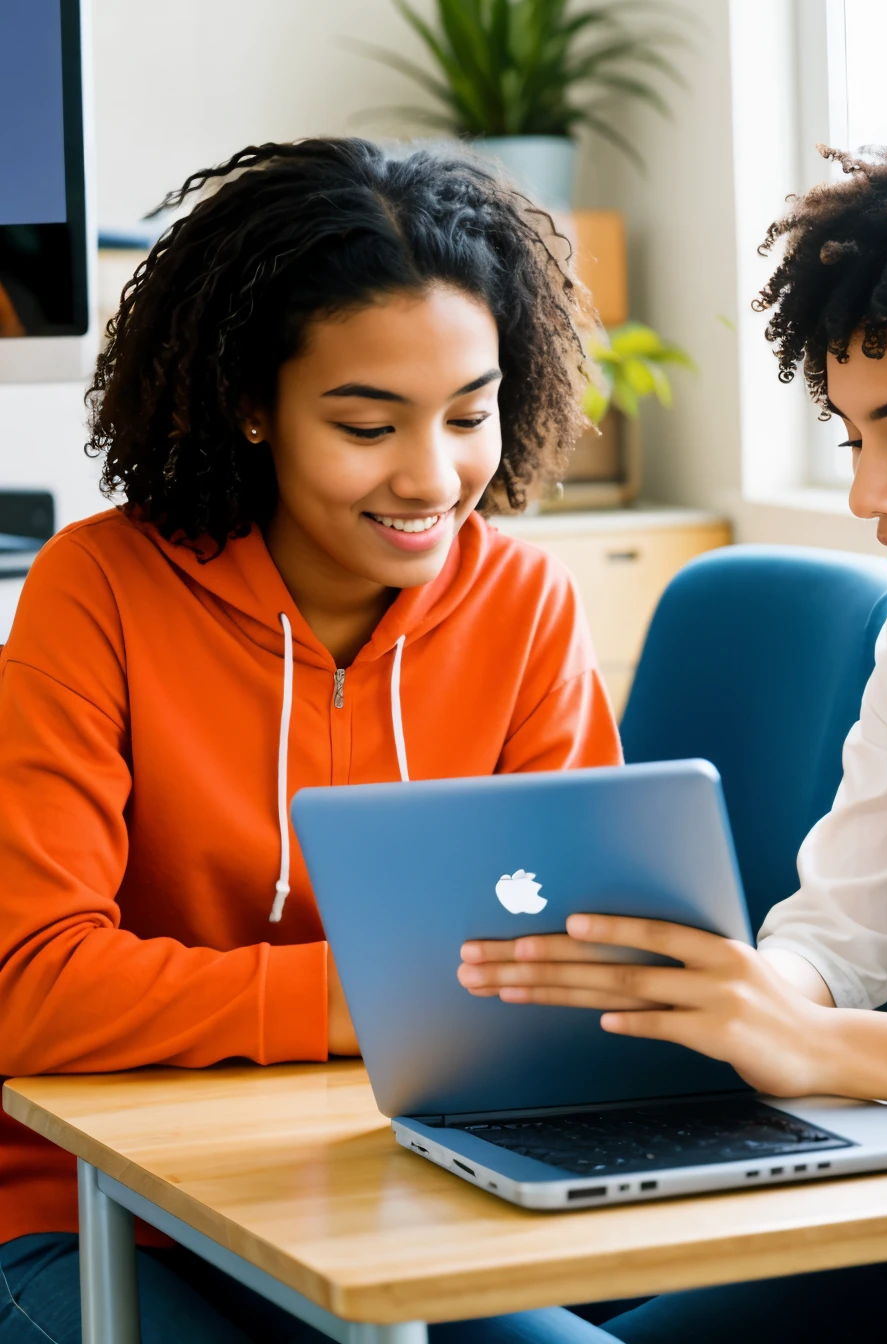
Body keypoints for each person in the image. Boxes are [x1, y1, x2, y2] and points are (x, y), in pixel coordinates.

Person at [0, 138, 622, 1343]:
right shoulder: (99, 590)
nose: (432, 475)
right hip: (87, 1214)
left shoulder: (526, 607)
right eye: (365, 423)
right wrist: (380, 995)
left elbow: (578, 972)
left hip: (407, 1193)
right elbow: (31, 988)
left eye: (469, 414)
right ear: (249, 405)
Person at [456, 113, 887, 1344]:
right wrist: (734, 993)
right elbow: (839, 928)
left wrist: (812, 1041)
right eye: (854, 438)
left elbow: (832, 1024)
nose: (872, 494)